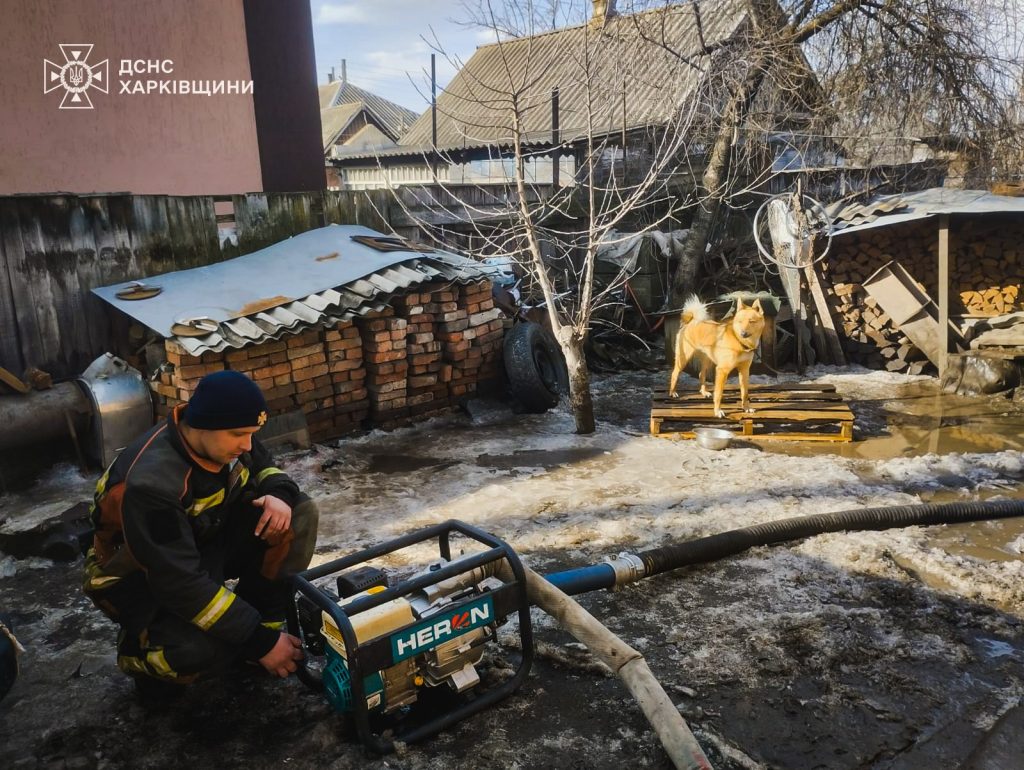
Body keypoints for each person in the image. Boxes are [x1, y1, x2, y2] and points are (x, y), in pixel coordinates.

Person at [82, 370, 319, 695]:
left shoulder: (226, 434)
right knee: (203, 652)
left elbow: (265, 466)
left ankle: (261, 618)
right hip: (140, 577)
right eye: (240, 434)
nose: (248, 444)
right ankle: (140, 653)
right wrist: (259, 643)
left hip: (203, 541)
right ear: (205, 424)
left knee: (299, 514)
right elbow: (178, 582)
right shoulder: (151, 484)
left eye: (253, 433)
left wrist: (279, 495)